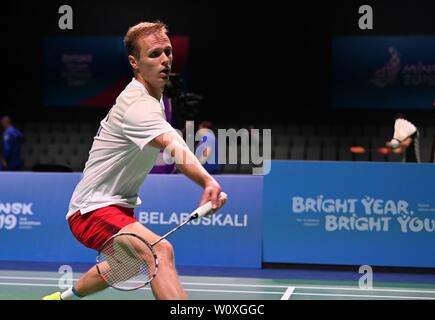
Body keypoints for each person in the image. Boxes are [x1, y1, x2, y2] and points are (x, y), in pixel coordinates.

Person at [42, 21, 225, 300]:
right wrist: (207, 181)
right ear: (134, 62)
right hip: (92, 209)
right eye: (154, 54)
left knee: (126, 266)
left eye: (168, 51)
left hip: (117, 206)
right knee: (159, 251)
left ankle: (60, 298)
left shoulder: (155, 101)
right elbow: (171, 145)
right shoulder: (136, 104)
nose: (165, 59)